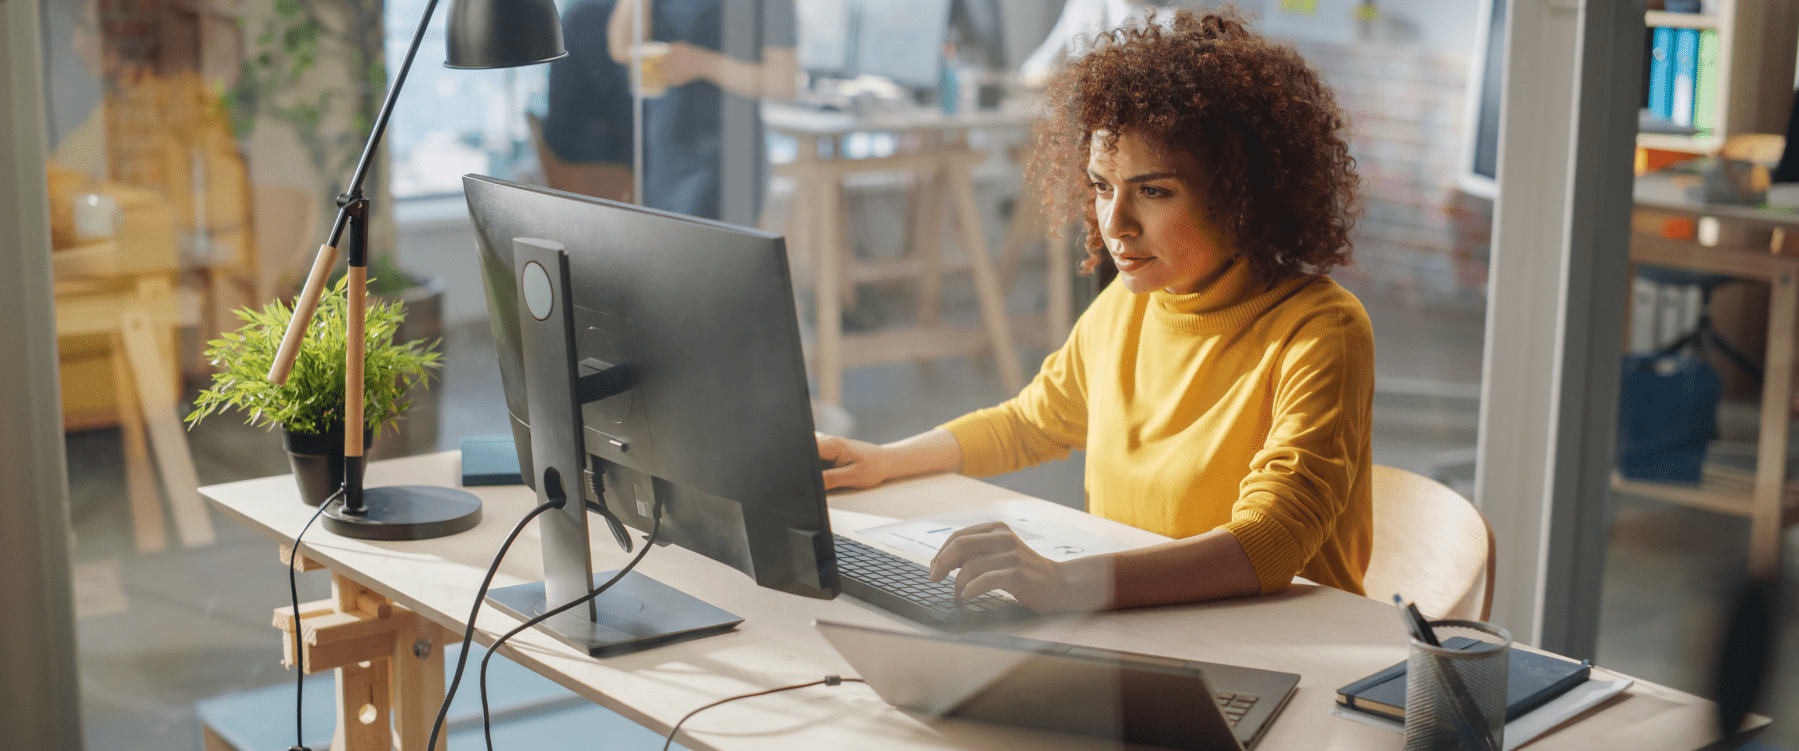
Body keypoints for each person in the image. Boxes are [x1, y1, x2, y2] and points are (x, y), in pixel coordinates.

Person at [815, 8, 1372, 613]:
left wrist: (1068, 584)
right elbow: (1030, 422)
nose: (1115, 225)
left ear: (1242, 194)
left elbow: (1271, 541)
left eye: (1154, 192)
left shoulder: (1320, 331)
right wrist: (883, 460)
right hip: (1138, 627)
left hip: (1287, 654)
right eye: (1103, 186)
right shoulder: (1129, 306)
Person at [604, 0, 797, 221]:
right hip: (664, 148)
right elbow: (621, 49)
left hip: (724, 153)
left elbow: (783, 82)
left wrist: (701, 64)